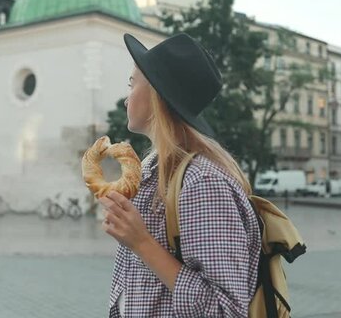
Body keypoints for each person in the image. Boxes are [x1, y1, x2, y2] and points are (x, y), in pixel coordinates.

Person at [99, 33, 261, 317]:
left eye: (131, 83)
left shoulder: (202, 183)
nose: (126, 98)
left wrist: (142, 242)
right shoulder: (153, 171)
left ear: (157, 95)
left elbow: (226, 312)